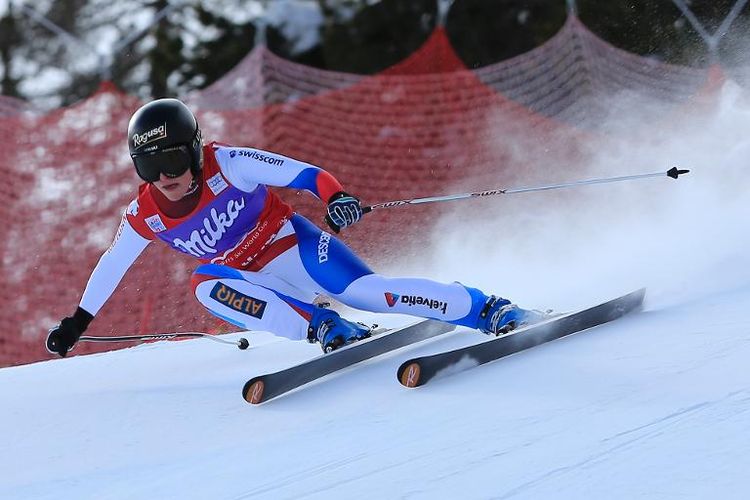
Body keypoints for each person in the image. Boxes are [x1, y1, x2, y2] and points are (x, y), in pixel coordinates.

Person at [46, 98, 545, 357]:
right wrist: (78, 322)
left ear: (195, 150)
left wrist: (336, 196)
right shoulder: (145, 214)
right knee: (205, 285)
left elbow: (304, 173)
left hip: (293, 246)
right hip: (254, 280)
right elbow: (112, 265)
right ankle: (323, 326)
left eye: (174, 159)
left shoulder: (230, 163)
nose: (166, 177)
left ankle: (485, 308)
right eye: (149, 167)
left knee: (370, 295)